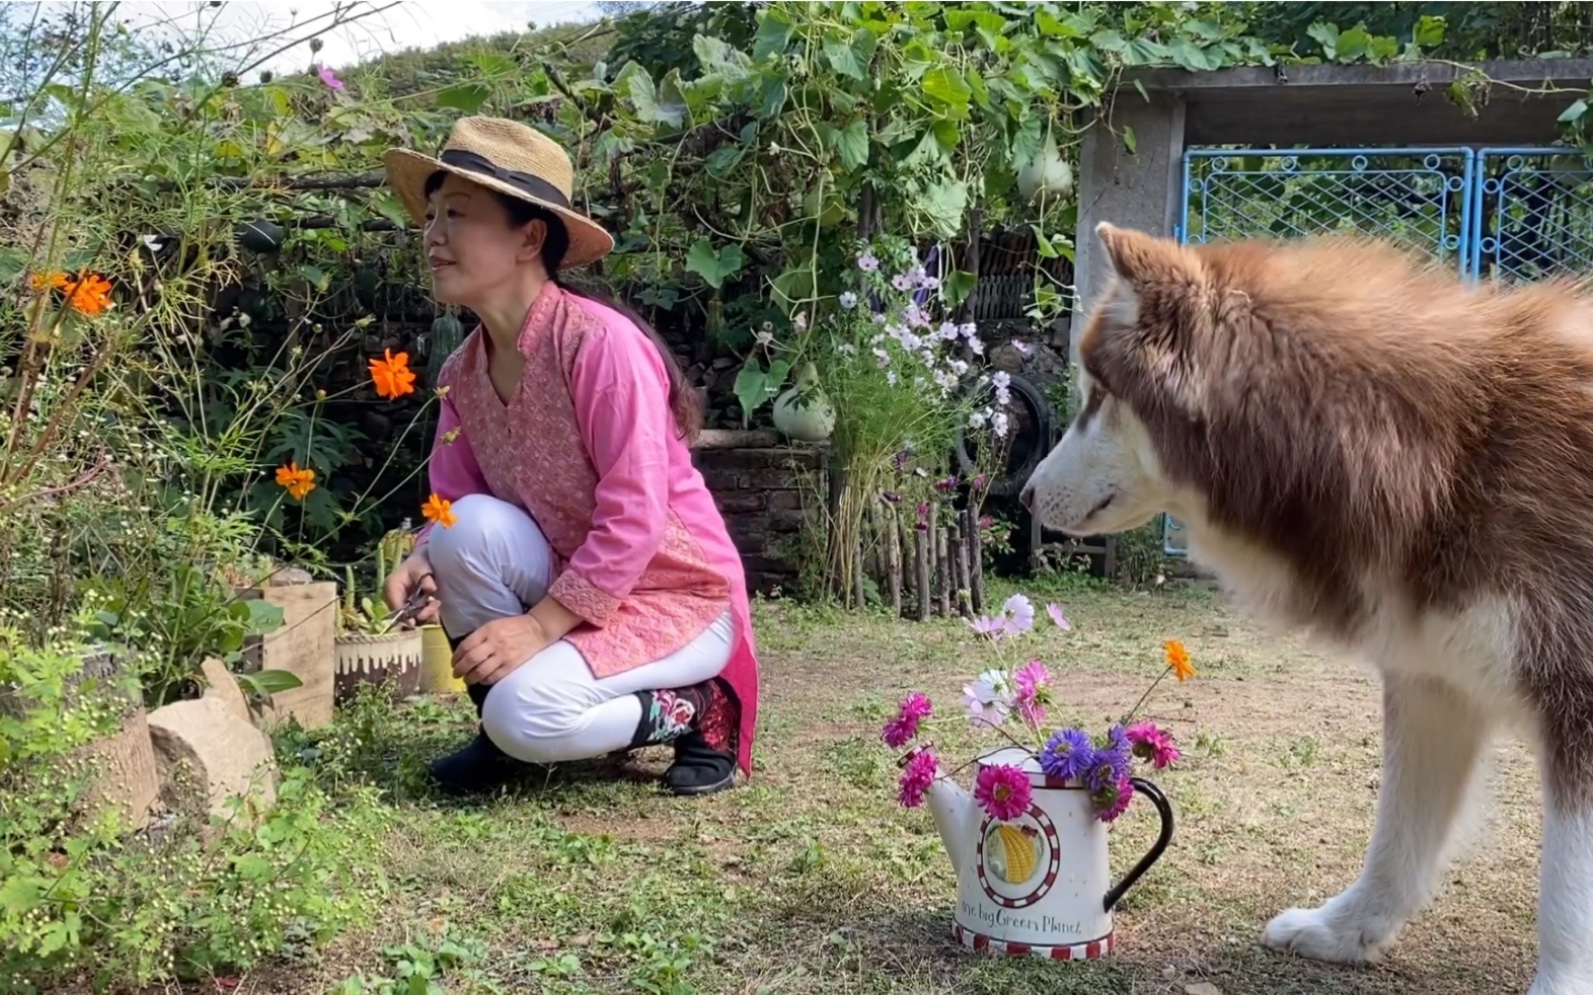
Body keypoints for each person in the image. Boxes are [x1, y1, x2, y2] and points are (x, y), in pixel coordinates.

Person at [377, 116, 760, 798]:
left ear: (528, 236)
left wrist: (537, 626)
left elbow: (635, 516)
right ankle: (502, 738)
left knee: (526, 713)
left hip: (678, 598)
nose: (432, 234)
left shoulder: (597, 346)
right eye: (430, 214)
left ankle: (700, 707)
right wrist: (422, 555)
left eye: (457, 214)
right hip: (572, 585)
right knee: (463, 526)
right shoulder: (462, 373)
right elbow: (450, 502)